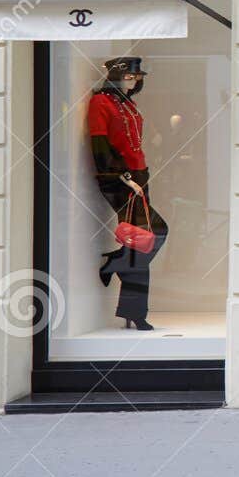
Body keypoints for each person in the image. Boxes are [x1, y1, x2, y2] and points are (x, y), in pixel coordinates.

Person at [88, 57, 168, 331]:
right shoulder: (101, 103)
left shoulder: (127, 104)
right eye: (131, 76)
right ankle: (118, 266)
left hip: (138, 176)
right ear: (116, 76)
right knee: (156, 233)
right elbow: (100, 145)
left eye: (137, 77)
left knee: (140, 244)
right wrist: (123, 178)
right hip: (121, 179)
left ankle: (128, 295)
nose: (135, 81)